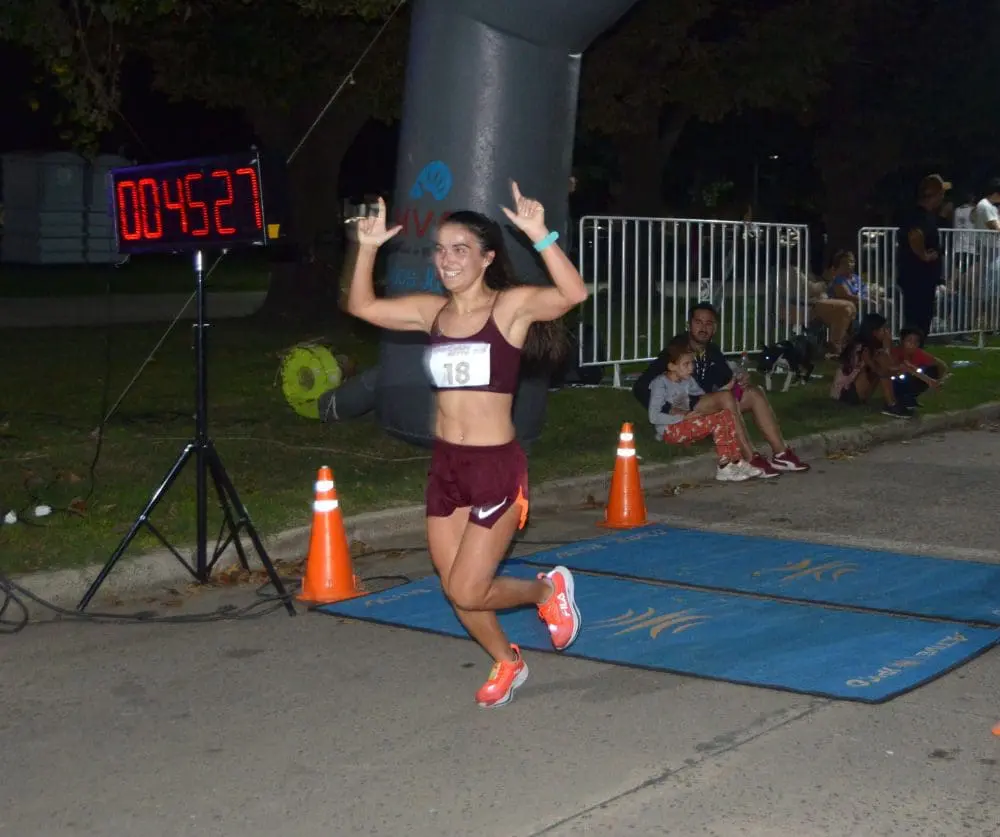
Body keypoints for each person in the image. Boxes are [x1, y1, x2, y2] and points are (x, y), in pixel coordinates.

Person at [345, 183, 584, 709]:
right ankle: (508, 661)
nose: (447, 259)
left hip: (495, 467)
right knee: (455, 586)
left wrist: (541, 234)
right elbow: (361, 305)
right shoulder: (431, 313)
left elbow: (572, 295)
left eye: (460, 249)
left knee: (470, 588)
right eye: (441, 249)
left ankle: (548, 591)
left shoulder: (510, 309)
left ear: (486, 258)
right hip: (446, 467)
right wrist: (366, 246)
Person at [633, 303, 810, 477]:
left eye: (708, 323)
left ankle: (781, 454)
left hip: (707, 402)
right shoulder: (676, 352)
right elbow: (640, 387)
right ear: (689, 325)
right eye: (698, 322)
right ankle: (751, 457)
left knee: (755, 393)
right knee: (725, 397)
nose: (703, 328)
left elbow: (726, 379)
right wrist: (671, 410)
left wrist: (740, 380)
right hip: (687, 407)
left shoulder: (713, 351)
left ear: (715, 328)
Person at [648, 335, 764, 482]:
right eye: (686, 364)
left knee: (725, 415)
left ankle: (736, 461)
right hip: (669, 430)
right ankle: (724, 466)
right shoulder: (660, 384)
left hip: (685, 424)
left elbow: (704, 395)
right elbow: (653, 416)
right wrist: (683, 417)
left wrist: (724, 389)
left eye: (692, 363)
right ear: (672, 366)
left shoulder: (686, 380)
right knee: (717, 421)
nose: (692, 368)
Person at [896, 174, 950, 343]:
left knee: (918, 317)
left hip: (918, 277)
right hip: (918, 276)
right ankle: (913, 354)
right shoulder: (920, 216)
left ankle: (915, 354)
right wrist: (923, 256)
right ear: (933, 194)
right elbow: (915, 234)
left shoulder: (921, 215)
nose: (943, 197)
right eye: (941, 193)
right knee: (918, 319)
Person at [830, 313, 913, 418]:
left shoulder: (874, 346)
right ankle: (891, 404)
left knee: (884, 365)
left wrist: (889, 347)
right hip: (846, 393)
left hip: (856, 389)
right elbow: (882, 370)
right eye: (884, 329)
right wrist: (887, 349)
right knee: (882, 367)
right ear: (874, 332)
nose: (887, 332)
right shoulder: (863, 348)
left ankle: (896, 401)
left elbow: (891, 364)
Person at [889, 326, 949, 409]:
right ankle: (899, 399)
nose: (912, 344)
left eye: (916, 341)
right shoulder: (897, 352)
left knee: (933, 370)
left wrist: (941, 380)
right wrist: (930, 381)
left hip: (911, 379)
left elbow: (942, 365)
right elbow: (907, 368)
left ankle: (910, 397)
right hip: (895, 382)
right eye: (909, 340)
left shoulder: (918, 353)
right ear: (902, 341)